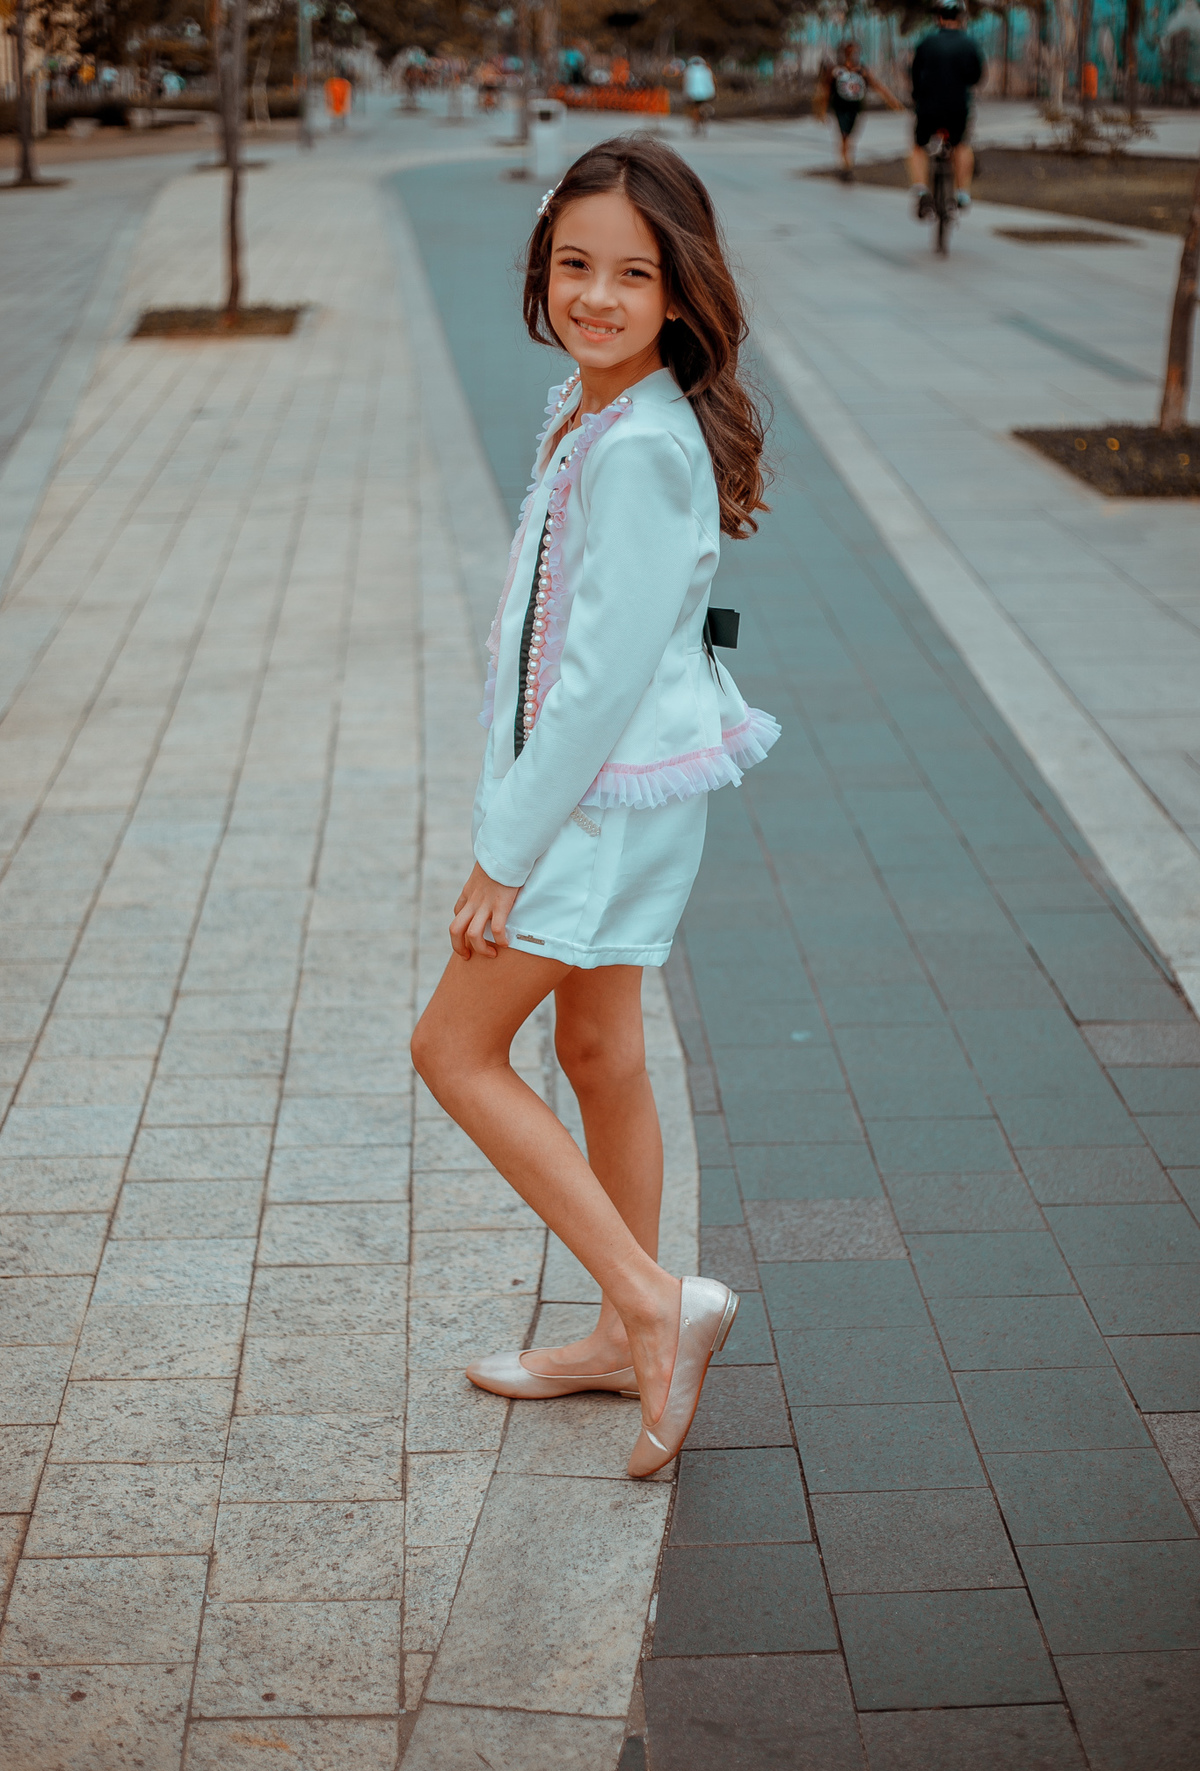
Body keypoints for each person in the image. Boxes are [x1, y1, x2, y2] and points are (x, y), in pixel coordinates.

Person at [410, 137, 779, 1480]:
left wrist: (501, 851)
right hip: (617, 796)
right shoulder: (602, 411)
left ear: (681, 290)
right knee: (601, 1050)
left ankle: (654, 1301)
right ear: (542, 269)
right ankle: (629, 1339)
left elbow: (597, 682)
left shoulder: (640, 450)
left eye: (633, 273)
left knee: (451, 1049)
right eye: (575, 265)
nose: (598, 296)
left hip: (592, 808)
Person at [908, 0, 984, 217]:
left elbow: (914, 74)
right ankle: (962, 194)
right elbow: (977, 77)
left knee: (918, 146)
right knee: (961, 145)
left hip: (928, 107)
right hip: (957, 107)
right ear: (961, 19)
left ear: (938, 18)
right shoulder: (969, 44)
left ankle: (922, 191)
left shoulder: (926, 42)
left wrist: (917, 96)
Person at [814, 39, 903, 182]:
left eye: (855, 52)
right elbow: (825, 90)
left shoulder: (862, 71)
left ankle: (846, 162)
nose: (853, 55)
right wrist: (821, 110)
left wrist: (891, 101)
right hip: (841, 108)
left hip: (855, 109)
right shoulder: (837, 71)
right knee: (844, 136)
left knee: (850, 136)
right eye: (850, 52)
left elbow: (877, 85)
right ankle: (846, 165)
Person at [682, 55, 716, 133]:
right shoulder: (706, 70)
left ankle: (696, 121)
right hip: (706, 93)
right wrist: (712, 93)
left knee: (694, 108)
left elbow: (686, 83)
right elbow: (710, 82)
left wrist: (685, 93)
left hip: (693, 94)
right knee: (702, 105)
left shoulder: (689, 71)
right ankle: (704, 117)